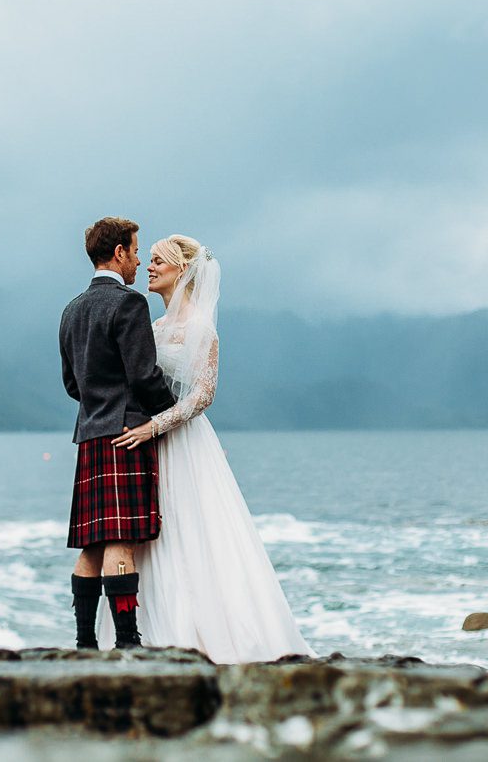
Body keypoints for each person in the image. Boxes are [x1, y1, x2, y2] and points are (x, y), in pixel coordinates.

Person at [101, 234, 314, 663]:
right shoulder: (153, 327)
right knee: (152, 540)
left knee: (193, 533)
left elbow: (203, 395)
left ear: (182, 270)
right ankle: (147, 632)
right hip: (145, 444)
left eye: (159, 261)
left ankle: (204, 633)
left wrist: (155, 427)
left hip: (182, 444)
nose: (150, 267)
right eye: (150, 260)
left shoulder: (201, 328)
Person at [59, 217, 177, 649]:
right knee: (120, 541)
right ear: (120, 253)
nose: (139, 259)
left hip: (90, 434)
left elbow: (72, 384)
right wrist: (172, 413)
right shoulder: (128, 304)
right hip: (126, 431)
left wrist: (97, 404)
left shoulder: (71, 309)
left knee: (91, 544)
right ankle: (127, 641)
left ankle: (84, 642)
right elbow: (145, 376)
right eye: (136, 249)